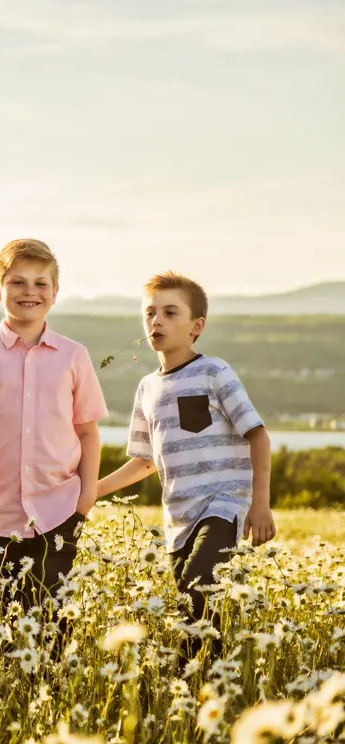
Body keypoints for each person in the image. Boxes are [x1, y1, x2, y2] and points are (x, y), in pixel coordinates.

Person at [97, 271, 275, 660]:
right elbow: (143, 461)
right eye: (150, 313)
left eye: (170, 313)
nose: (156, 321)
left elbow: (258, 436)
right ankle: (209, 685)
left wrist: (259, 506)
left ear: (197, 327)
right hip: (178, 519)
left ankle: (184, 675)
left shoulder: (214, 372)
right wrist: (90, 492)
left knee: (198, 583)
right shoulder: (146, 388)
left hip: (223, 505)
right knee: (194, 607)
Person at [0, 239, 107, 629]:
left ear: (55, 293)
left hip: (59, 512)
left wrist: (86, 495)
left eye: (41, 283)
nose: (30, 292)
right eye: (17, 282)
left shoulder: (73, 355)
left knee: (53, 627)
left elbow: (88, 432)